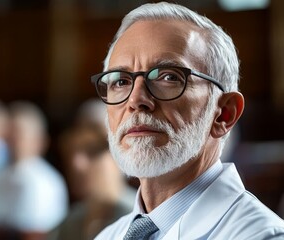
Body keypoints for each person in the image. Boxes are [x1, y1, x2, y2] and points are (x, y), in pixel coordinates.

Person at [91, 2, 284, 239]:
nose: (136, 99)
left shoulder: (261, 235)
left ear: (224, 113)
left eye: (169, 77)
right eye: (121, 81)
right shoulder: (109, 236)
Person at [0, 101, 68, 240]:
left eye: (18, 133)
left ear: (39, 140)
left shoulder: (47, 182)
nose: (11, 139)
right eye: (8, 133)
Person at [49, 123, 135, 240]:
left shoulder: (142, 220)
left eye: (93, 151)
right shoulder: (71, 222)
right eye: (71, 153)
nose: (77, 164)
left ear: (121, 155)